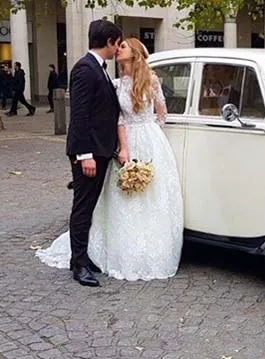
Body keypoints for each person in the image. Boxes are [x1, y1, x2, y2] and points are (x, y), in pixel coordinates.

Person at [36, 32, 184, 284]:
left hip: (150, 138)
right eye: (117, 44)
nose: (118, 49)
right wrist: (123, 147)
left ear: (134, 52)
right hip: (125, 141)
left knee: (153, 196)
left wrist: (152, 132)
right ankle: (100, 253)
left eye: (123, 46)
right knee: (120, 198)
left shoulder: (151, 79)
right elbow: (119, 118)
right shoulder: (115, 83)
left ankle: (149, 250)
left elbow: (162, 112)